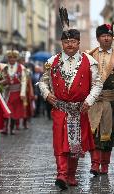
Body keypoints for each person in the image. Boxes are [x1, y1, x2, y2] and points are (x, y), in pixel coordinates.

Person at [39, 8, 103, 190]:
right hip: (59, 108)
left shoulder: (90, 62)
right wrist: (46, 93)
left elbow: (97, 84)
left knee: (76, 144)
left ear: (79, 43)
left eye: (73, 41)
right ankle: (61, 174)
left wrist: (89, 101)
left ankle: (72, 175)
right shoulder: (52, 62)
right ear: (62, 43)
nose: (70, 45)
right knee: (60, 142)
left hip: (79, 109)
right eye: (66, 42)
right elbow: (42, 82)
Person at [88, 23, 114, 176]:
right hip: (94, 101)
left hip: (111, 102)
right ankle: (94, 164)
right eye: (103, 36)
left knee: (108, 136)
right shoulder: (90, 56)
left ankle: (104, 166)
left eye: (109, 36)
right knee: (94, 135)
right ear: (98, 38)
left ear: (112, 38)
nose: (106, 38)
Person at [1, 50, 27, 135]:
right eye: (10, 57)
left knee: (14, 113)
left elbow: (24, 81)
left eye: (14, 57)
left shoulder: (21, 67)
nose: (12, 59)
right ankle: (5, 128)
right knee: (6, 110)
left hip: (17, 93)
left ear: (16, 58)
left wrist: (22, 93)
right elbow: (1, 79)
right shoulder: (4, 67)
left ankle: (11, 129)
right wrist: (3, 84)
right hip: (7, 93)